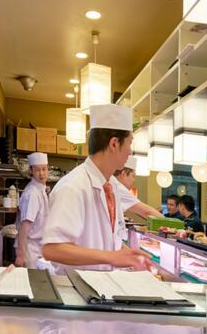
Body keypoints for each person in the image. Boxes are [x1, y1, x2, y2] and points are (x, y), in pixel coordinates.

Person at [42, 103, 153, 274]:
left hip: (99, 289)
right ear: (114, 144)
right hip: (75, 291)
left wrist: (126, 253)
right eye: (130, 143)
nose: (130, 152)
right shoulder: (73, 186)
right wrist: (111, 257)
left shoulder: (112, 185)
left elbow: (102, 242)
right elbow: (53, 249)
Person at [14, 152, 50, 268]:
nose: (42, 173)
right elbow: (25, 226)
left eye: (44, 169)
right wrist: (20, 254)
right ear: (31, 171)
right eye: (37, 170)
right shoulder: (32, 193)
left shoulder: (41, 190)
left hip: (39, 247)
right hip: (29, 250)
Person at [113, 157, 161, 221]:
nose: (134, 180)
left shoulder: (112, 183)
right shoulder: (117, 187)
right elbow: (147, 212)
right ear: (123, 174)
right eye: (133, 176)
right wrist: (175, 226)